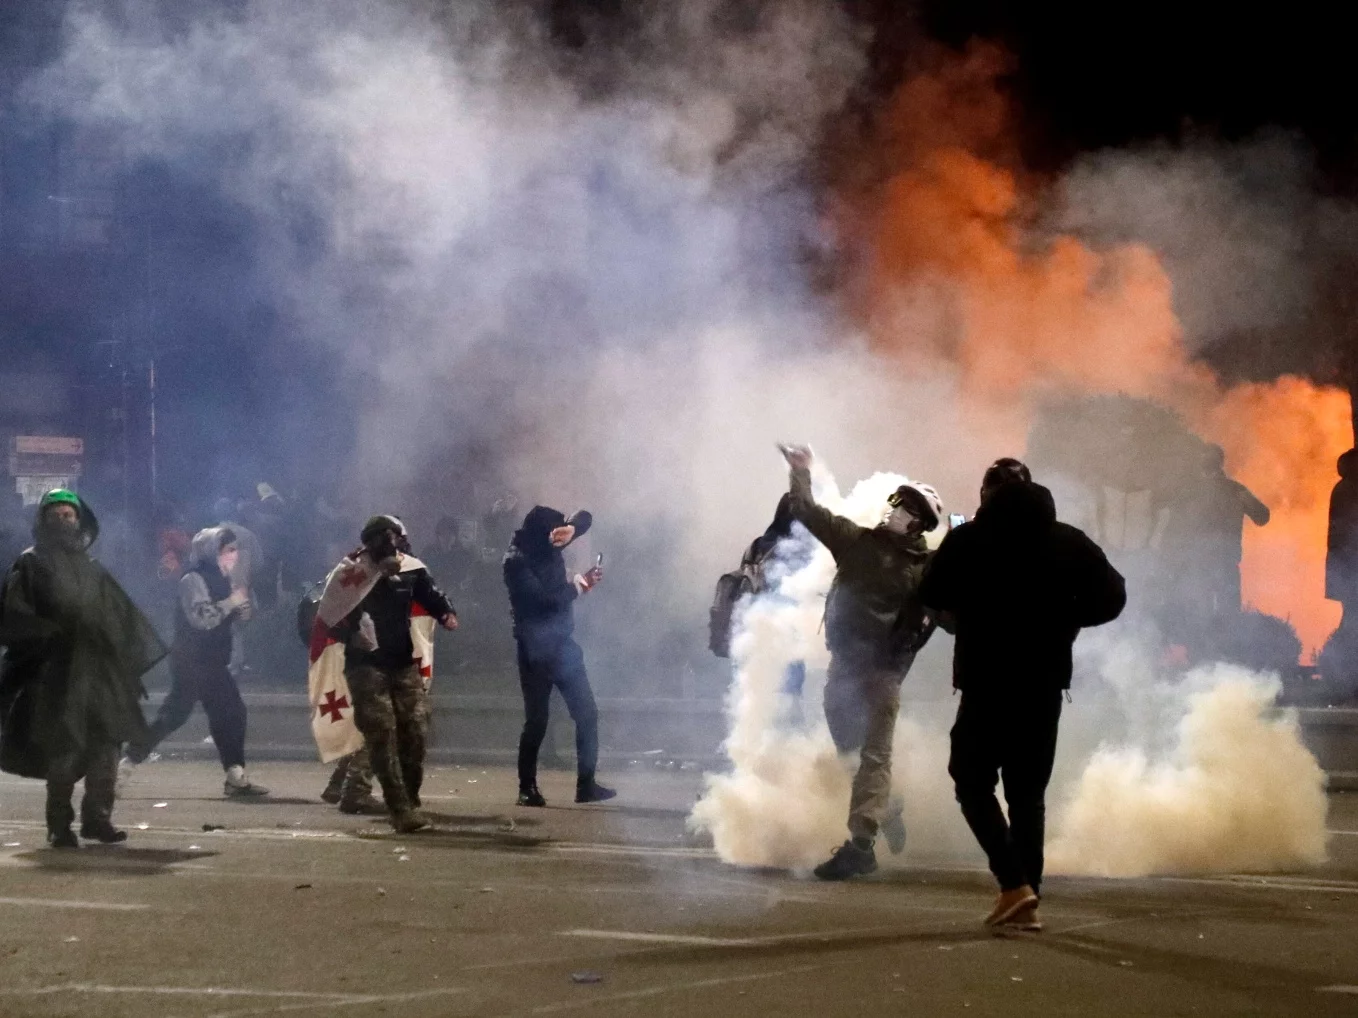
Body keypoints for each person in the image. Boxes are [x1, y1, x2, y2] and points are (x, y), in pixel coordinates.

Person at [920, 458, 1126, 931]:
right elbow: (1113, 596)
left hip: (986, 681)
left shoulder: (969, 537)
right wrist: (1067, 620)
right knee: (1027, 795)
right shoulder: (1068, 539)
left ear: (987, 493)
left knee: (971, 780)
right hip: (1043, 683)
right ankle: (1026, 896)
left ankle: (1013, 884)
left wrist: (969, 613)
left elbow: (930, 591)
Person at [779, 445, 941, 880]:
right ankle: (886, 807)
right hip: (844, 669)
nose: (896, 512)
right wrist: (800, 470)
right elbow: (806, 511)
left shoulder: (927, 572)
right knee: (851, 753)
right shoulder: (856, 542)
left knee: (873, 756)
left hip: (884, 674)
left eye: (907, 509)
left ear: (921, 523)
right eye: (898, 504)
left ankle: (861, 844)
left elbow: (951, 619)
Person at [0, 490, 167, 847]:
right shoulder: (29, 564)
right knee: (65, 751)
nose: (64, 522)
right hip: (57, 676)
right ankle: (59, 824)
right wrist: (52, 634)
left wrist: (122, 657)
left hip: (100, 676)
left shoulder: (92, 567)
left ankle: (98, 818)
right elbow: (14, 616)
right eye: (56, 516)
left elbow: (121, 618)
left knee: (106, 749)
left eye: (69, 516)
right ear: (43, 521)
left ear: (80, 520)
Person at [314, 515, 457, 833]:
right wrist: (350, 631)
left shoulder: (411, 569)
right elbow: (325, 613)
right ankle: (399, 808)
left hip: (402, 662)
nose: (393, 546)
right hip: (366, 665)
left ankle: (409, 797)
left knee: (416, 730)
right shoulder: (351, 572)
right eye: (385, 539)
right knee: (381, 734)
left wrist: (445, 611)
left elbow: (430, 593)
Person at [121, 527, 269, 797]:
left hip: (213, 661)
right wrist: (230, 604)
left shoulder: (225, 580)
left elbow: (232, 618)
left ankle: (235, 773)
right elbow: (202, 618)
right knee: (174, 715)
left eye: (234, 550)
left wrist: (242, 609)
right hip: (191, 660)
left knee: (232, 712)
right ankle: (128, 761)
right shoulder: (193, 579)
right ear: (211, 551)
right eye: (227, 550)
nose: (233, 556)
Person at [503, 505, 613, 807]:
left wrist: (573, 529)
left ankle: (586, 784)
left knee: (587, 714)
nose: (560, 540)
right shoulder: (516, 560)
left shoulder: (550, 541)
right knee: (537, 721)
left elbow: (586, 516)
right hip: (535, 649)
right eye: (555, 532)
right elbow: (542, 601)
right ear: (541, 533)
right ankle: (527, 788)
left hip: (563, 645)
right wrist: (579, 585)